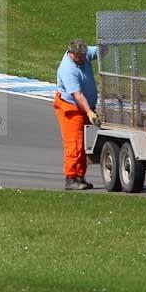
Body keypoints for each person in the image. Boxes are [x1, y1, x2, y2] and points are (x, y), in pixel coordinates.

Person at [54, 38, 100, 190]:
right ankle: (71, 177)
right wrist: (89, 112)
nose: (82, 59)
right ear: (72, 54)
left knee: (85, 143)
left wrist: (110, 43)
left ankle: (80, 177)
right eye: (79, 57)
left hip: (85, 107)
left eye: (83, 56)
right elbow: (77, 95)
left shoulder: (84, 55)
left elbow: (100, 51)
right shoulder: (68, 69)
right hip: (71, 108)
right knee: (75, 144)